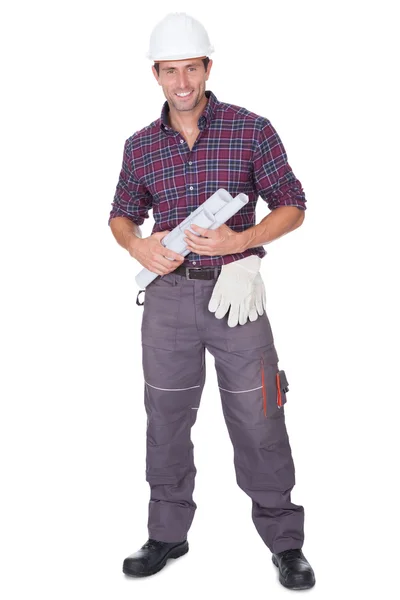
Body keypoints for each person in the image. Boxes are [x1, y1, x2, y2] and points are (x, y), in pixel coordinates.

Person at [108, 12, 316, 591]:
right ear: (155, 74)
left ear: (207, 69)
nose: (181, 82)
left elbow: (293, 204)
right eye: (169, 71)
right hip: (168, 300)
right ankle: (167, 533)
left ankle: (285, 541)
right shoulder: (141, 146)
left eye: (191, 69)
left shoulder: (251, 129)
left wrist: (241, 243)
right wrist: (138, 247)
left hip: (235, 297)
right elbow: (120, 214)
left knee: (259, 416)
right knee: (167, 417)